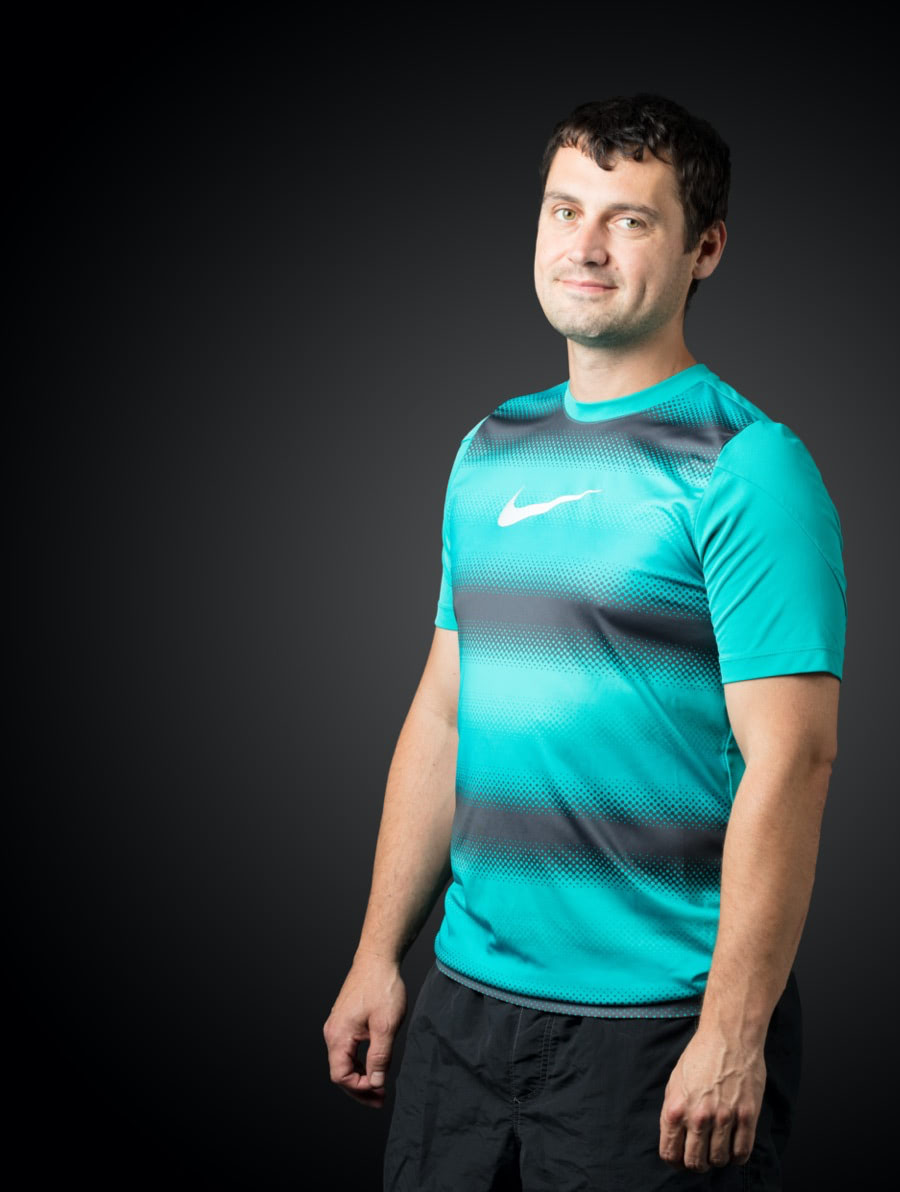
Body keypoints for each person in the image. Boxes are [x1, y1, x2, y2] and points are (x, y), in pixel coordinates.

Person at [323, 92, 847, 1191]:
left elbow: (793, 758)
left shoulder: (744, 464)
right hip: (466, 1013)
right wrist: (377, 955)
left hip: (655, 1030)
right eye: (565, 211)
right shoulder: (490, 448)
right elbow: (445, 715)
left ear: (705, 249)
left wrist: (733, 1029)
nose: (586, 246)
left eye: (630, 220)